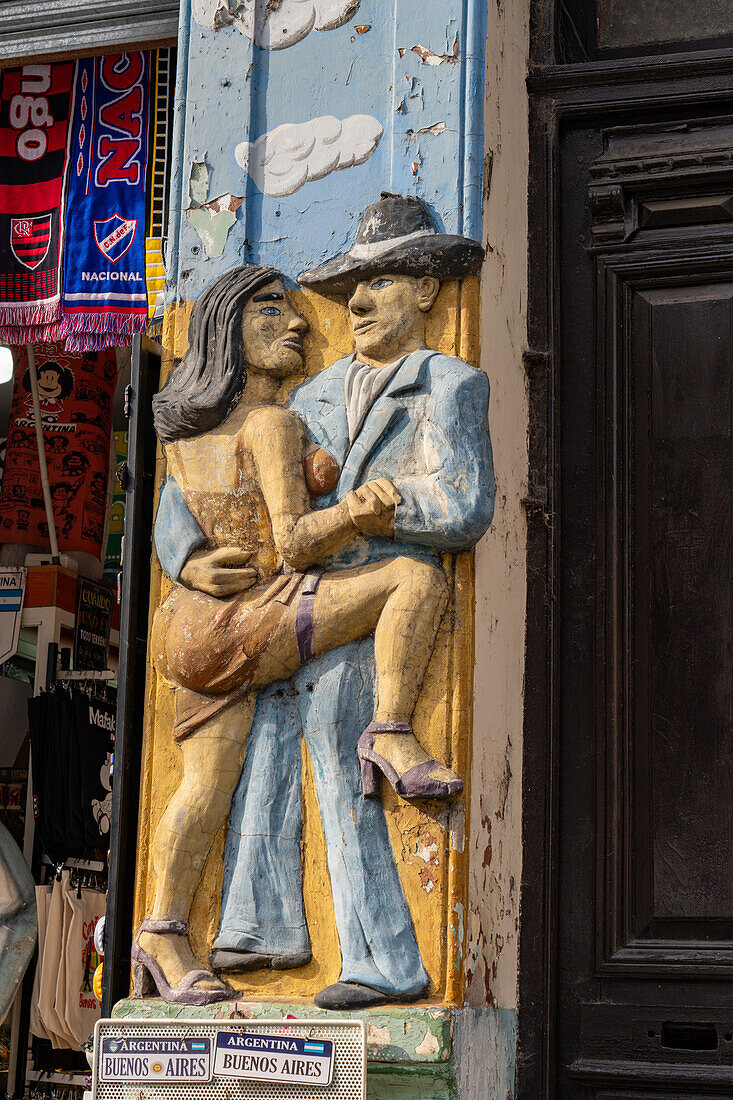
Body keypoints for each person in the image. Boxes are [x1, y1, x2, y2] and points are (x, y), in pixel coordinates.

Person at [156, 193, 494, 1008]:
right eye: (352, 288)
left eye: (382, 281)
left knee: (347, 786)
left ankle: (380, 965)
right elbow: (207, 482)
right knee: (254, 776)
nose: (359, 303)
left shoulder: (447, 383)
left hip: (365, 613)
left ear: (426, 290)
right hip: (294, 598)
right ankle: (259, 933)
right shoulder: (303, 397)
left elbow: (464, 504)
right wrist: (188, 557)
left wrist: (387, 507)